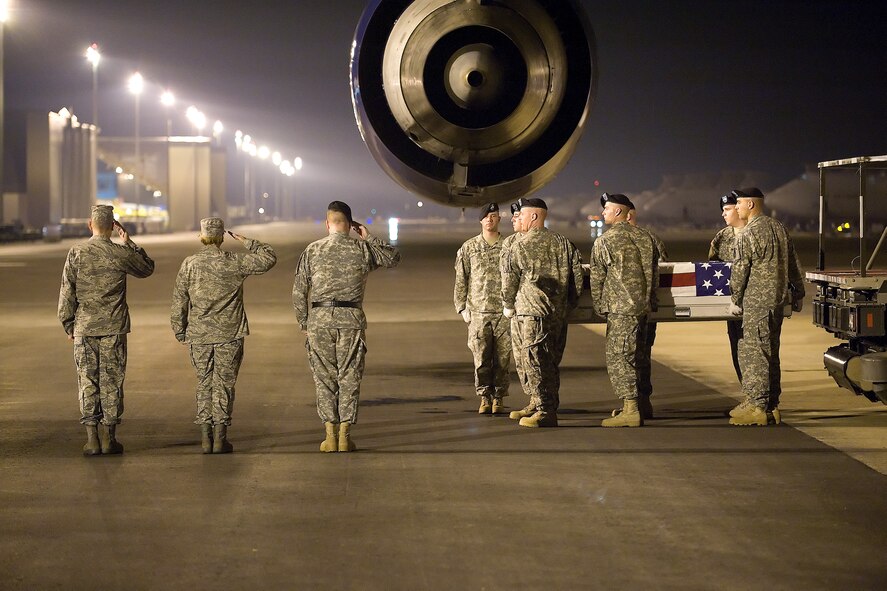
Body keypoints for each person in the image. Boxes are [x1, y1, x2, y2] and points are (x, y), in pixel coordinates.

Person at [293, 201, 401, 452]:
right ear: (351, 225)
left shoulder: (312, 250)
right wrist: (369, 237)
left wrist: (304, 323)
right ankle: (344, 436)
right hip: (350, 319)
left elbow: (299, 291)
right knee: (349, 377)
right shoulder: (362, 249)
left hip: (319, 320)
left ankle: (329, 436)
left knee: (324, 378)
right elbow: (393, 259)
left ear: (327, 223)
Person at [170, 218, 277, 454]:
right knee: (224, 384)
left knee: (204, 382)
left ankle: (205, 438)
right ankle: (220, 437)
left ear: (201, 236)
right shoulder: (233, 262)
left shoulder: (190, 264)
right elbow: (269, 258)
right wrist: (247, 241)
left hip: (199, 334)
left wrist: (179, 329)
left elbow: (179, 300)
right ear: (220, 238)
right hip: (230, 333)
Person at [57, 205, 155, 456]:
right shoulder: (120, 253)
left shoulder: (76, 252)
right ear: (114, 226)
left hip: (85, 328)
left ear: (90, 225)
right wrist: (129, 242)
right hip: (113, 327)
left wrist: (69, 324)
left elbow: (67, 292)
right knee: (112, 380)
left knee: (87, 381)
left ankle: (91, 439)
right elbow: (146, 268)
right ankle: (110, 438)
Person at [501, 197, 583, 428]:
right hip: (557, 314)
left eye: (523, 215)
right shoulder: (564, 243)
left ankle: (545, 411)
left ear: (535, 216)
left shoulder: (520, 245)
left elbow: (510, 281)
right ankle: (540, 403)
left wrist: (508, 304)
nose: (518, 219)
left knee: (535, 361)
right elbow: (577, 281)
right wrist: (567, 306)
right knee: (549, 360)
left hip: (531, 312)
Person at [727, 188, 804, 426]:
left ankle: (757, 407)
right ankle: (771, 405)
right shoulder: (779, 228)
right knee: (771, 354)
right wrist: (798, 291)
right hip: (777, 302)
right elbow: (793, 262)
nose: (737, 207)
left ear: (751, 205)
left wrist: (735, 298)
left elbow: (741, 269)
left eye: (739, 203)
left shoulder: (749, 233)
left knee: (755, 354)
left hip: (757, 303)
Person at [589, 193, 659, 427]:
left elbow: (597, 278)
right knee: (639, 356)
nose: (604, 212)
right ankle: (641, 403)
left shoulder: (605, 241)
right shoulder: (647, 238)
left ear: (619, 212)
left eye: (607, 209)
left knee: (620, 357)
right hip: (643, 307)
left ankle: (630, 409)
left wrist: (600, 305)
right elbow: (655, 273)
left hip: (620, 308)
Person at [454, 203, 511, 414]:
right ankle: (484, 397)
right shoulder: (469, 248)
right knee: (481, 358)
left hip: (503, 313)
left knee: (503, 359)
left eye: (494, 216)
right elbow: (461, 279)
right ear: (480, 220)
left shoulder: (509, 245)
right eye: (486, 216)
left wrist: (512, 305)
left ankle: (499, 397)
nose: (490, 219)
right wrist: (461, 307)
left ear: (498, 219)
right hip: (478, 312)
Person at [626, 204, 667, 419]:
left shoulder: (614, 239)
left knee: (629, 355)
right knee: (643, 354)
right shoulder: (652, 239)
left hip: (626, 309)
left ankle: (634, 404)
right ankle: (642, 402)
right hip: (647, 308)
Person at [709, 193, 748, 383]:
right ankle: (749, 395)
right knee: (738, 347)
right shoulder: (722, 237)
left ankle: (765, 401)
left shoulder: (757, 232)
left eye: (727, 209)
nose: (723, 214)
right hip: (733, 304)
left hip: (756, 301)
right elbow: (712, 265)